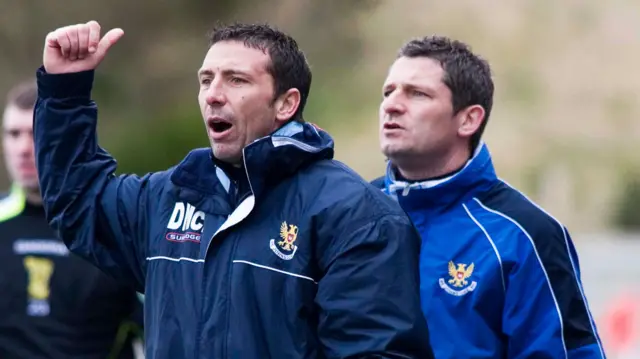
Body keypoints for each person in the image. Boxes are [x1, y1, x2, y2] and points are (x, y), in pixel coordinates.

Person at [33, 20, 434, 359]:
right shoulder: (168, 197)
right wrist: (65, 92)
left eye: (236, 80)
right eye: (206, 80)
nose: (213, 95)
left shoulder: (356, 215)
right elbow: (78, 201)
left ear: (286, 103)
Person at [372, 35, 606, 358]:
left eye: (417, 94)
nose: (392, 105)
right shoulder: (352, 213)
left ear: (468, 119)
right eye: (388, 91)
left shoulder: (525, 235)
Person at [0, 79, 143, 359]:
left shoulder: (116, 229)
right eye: (13, 134)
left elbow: (169, 328)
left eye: (35, 133)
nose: (23, 149)